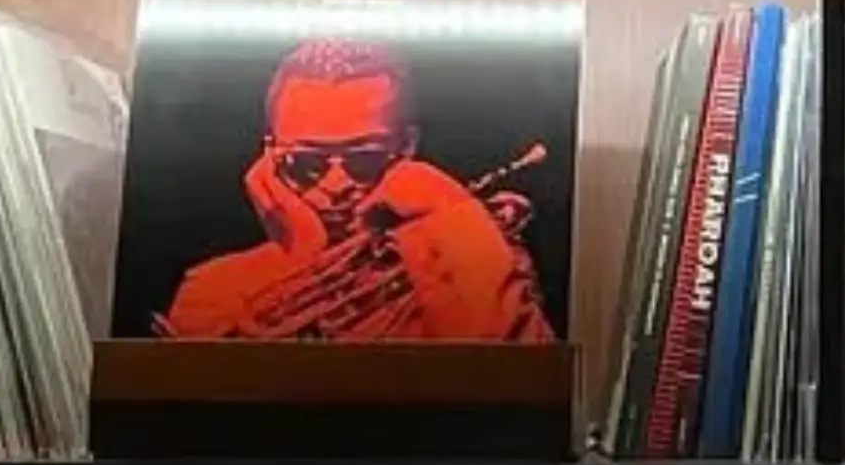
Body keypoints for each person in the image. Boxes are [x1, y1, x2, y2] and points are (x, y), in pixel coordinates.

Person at [159, 37, 554, 342]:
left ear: (407, 148)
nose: (336, 187)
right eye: (306, 163)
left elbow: (525, 383)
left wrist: (452, 211)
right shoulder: (213, 288)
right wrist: (303, 261)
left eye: (364, 159)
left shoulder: (474, 251)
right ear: (270, 156)